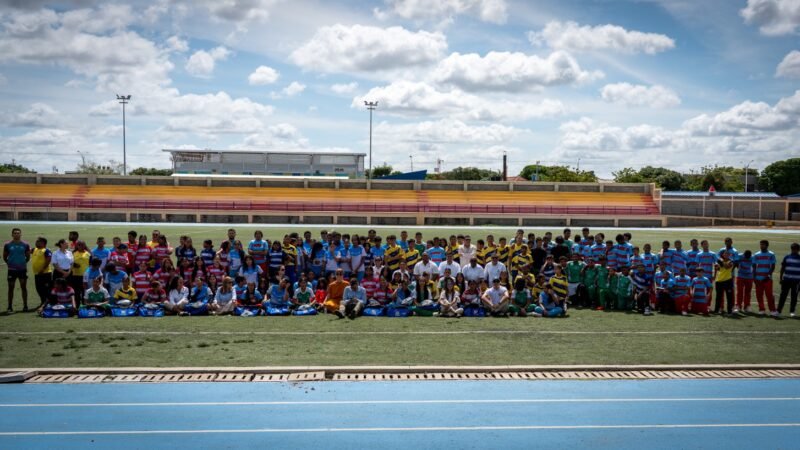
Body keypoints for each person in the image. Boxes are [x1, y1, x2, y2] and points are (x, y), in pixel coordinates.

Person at [4, 228, 31, 312]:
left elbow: (28, 257)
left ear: (20, 234)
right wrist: (10, 263)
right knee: (10, 288)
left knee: (23, 287)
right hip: (11, 270)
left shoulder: (25, 244)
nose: (16, 234)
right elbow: (5, 256)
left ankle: (25, 306)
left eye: (18, 233)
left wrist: (22, 263)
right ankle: (9, 307)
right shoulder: (7, 245)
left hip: (22, 269)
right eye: (15, 233)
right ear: (12, 234)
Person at [753, 240, 777, 316]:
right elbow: (754, 267)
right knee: (759, 295)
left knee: (769, 295)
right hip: (758, 278)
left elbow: (773, 266)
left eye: (763, 244)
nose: (761, 246)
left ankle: (772, 310)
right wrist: (754, 277)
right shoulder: (756, 254)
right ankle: (761, 309)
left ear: (767, 245)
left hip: (767, 279)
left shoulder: (771, 254)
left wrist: (768, 276)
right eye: (761, 244)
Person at [777, 243, 800, 317]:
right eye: (793, 249)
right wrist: (781, 278)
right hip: (786, 280)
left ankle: (792, 311)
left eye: (795, 249)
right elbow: (782, 268)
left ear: (798, 250)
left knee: (794, 297)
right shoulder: (787, 257)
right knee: (783, 296)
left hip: (796, 281)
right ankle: (778, 311)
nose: (794, 251)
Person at [31, 237, 53, 310]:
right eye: (36, 241)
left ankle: (48, 303)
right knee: (39, 289)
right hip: (37, 273)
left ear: (43, 243)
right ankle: (43, 302)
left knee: (46, 289)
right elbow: (27, 250)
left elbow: (48, 260)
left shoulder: (46, 250)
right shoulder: (34, 249)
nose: (36, 243)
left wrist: (42, 269)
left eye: (38, 242)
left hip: (46, 273)